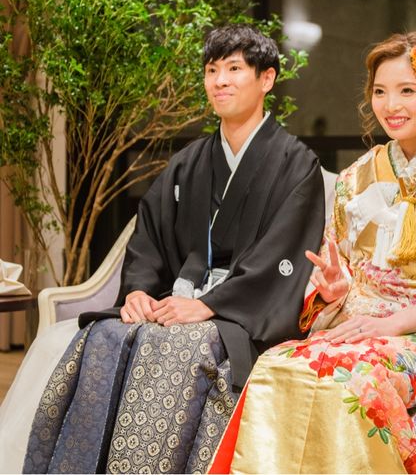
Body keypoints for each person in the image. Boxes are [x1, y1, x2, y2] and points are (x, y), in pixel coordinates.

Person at [0, 24, 325, 474]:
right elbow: (149, 236)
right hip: (180, 299)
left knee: (177, 349)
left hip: (240, 315)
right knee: (102, 335)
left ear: (266, 78)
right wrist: (137, 290)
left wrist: (210, 306)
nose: (220, 81)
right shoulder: (189, 162)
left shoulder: (297, 164)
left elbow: (283, 254)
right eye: (212, 70)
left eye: (234, 69)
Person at [210, 32, 416, 474]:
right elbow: (339, 266)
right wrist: (334, 289)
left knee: (351, 378)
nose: (391, 105)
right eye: (380, 92)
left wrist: (392, 324)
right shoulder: (358, 175)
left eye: (407, 91)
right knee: (277, 366)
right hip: (362, 325)